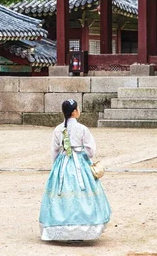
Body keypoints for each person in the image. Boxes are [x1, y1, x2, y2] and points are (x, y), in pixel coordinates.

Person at [39, 99, 111, 241]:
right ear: (74, 112)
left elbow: (54, 150)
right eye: (77, 109)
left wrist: (56, 167)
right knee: (83, 194)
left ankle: (61, 229)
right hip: (79, 164)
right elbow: (91, 150)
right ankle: (82, 230)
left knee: (61, 195)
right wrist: (85, 155)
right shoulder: (82, 129)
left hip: (62, 163)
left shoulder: (58, 129)